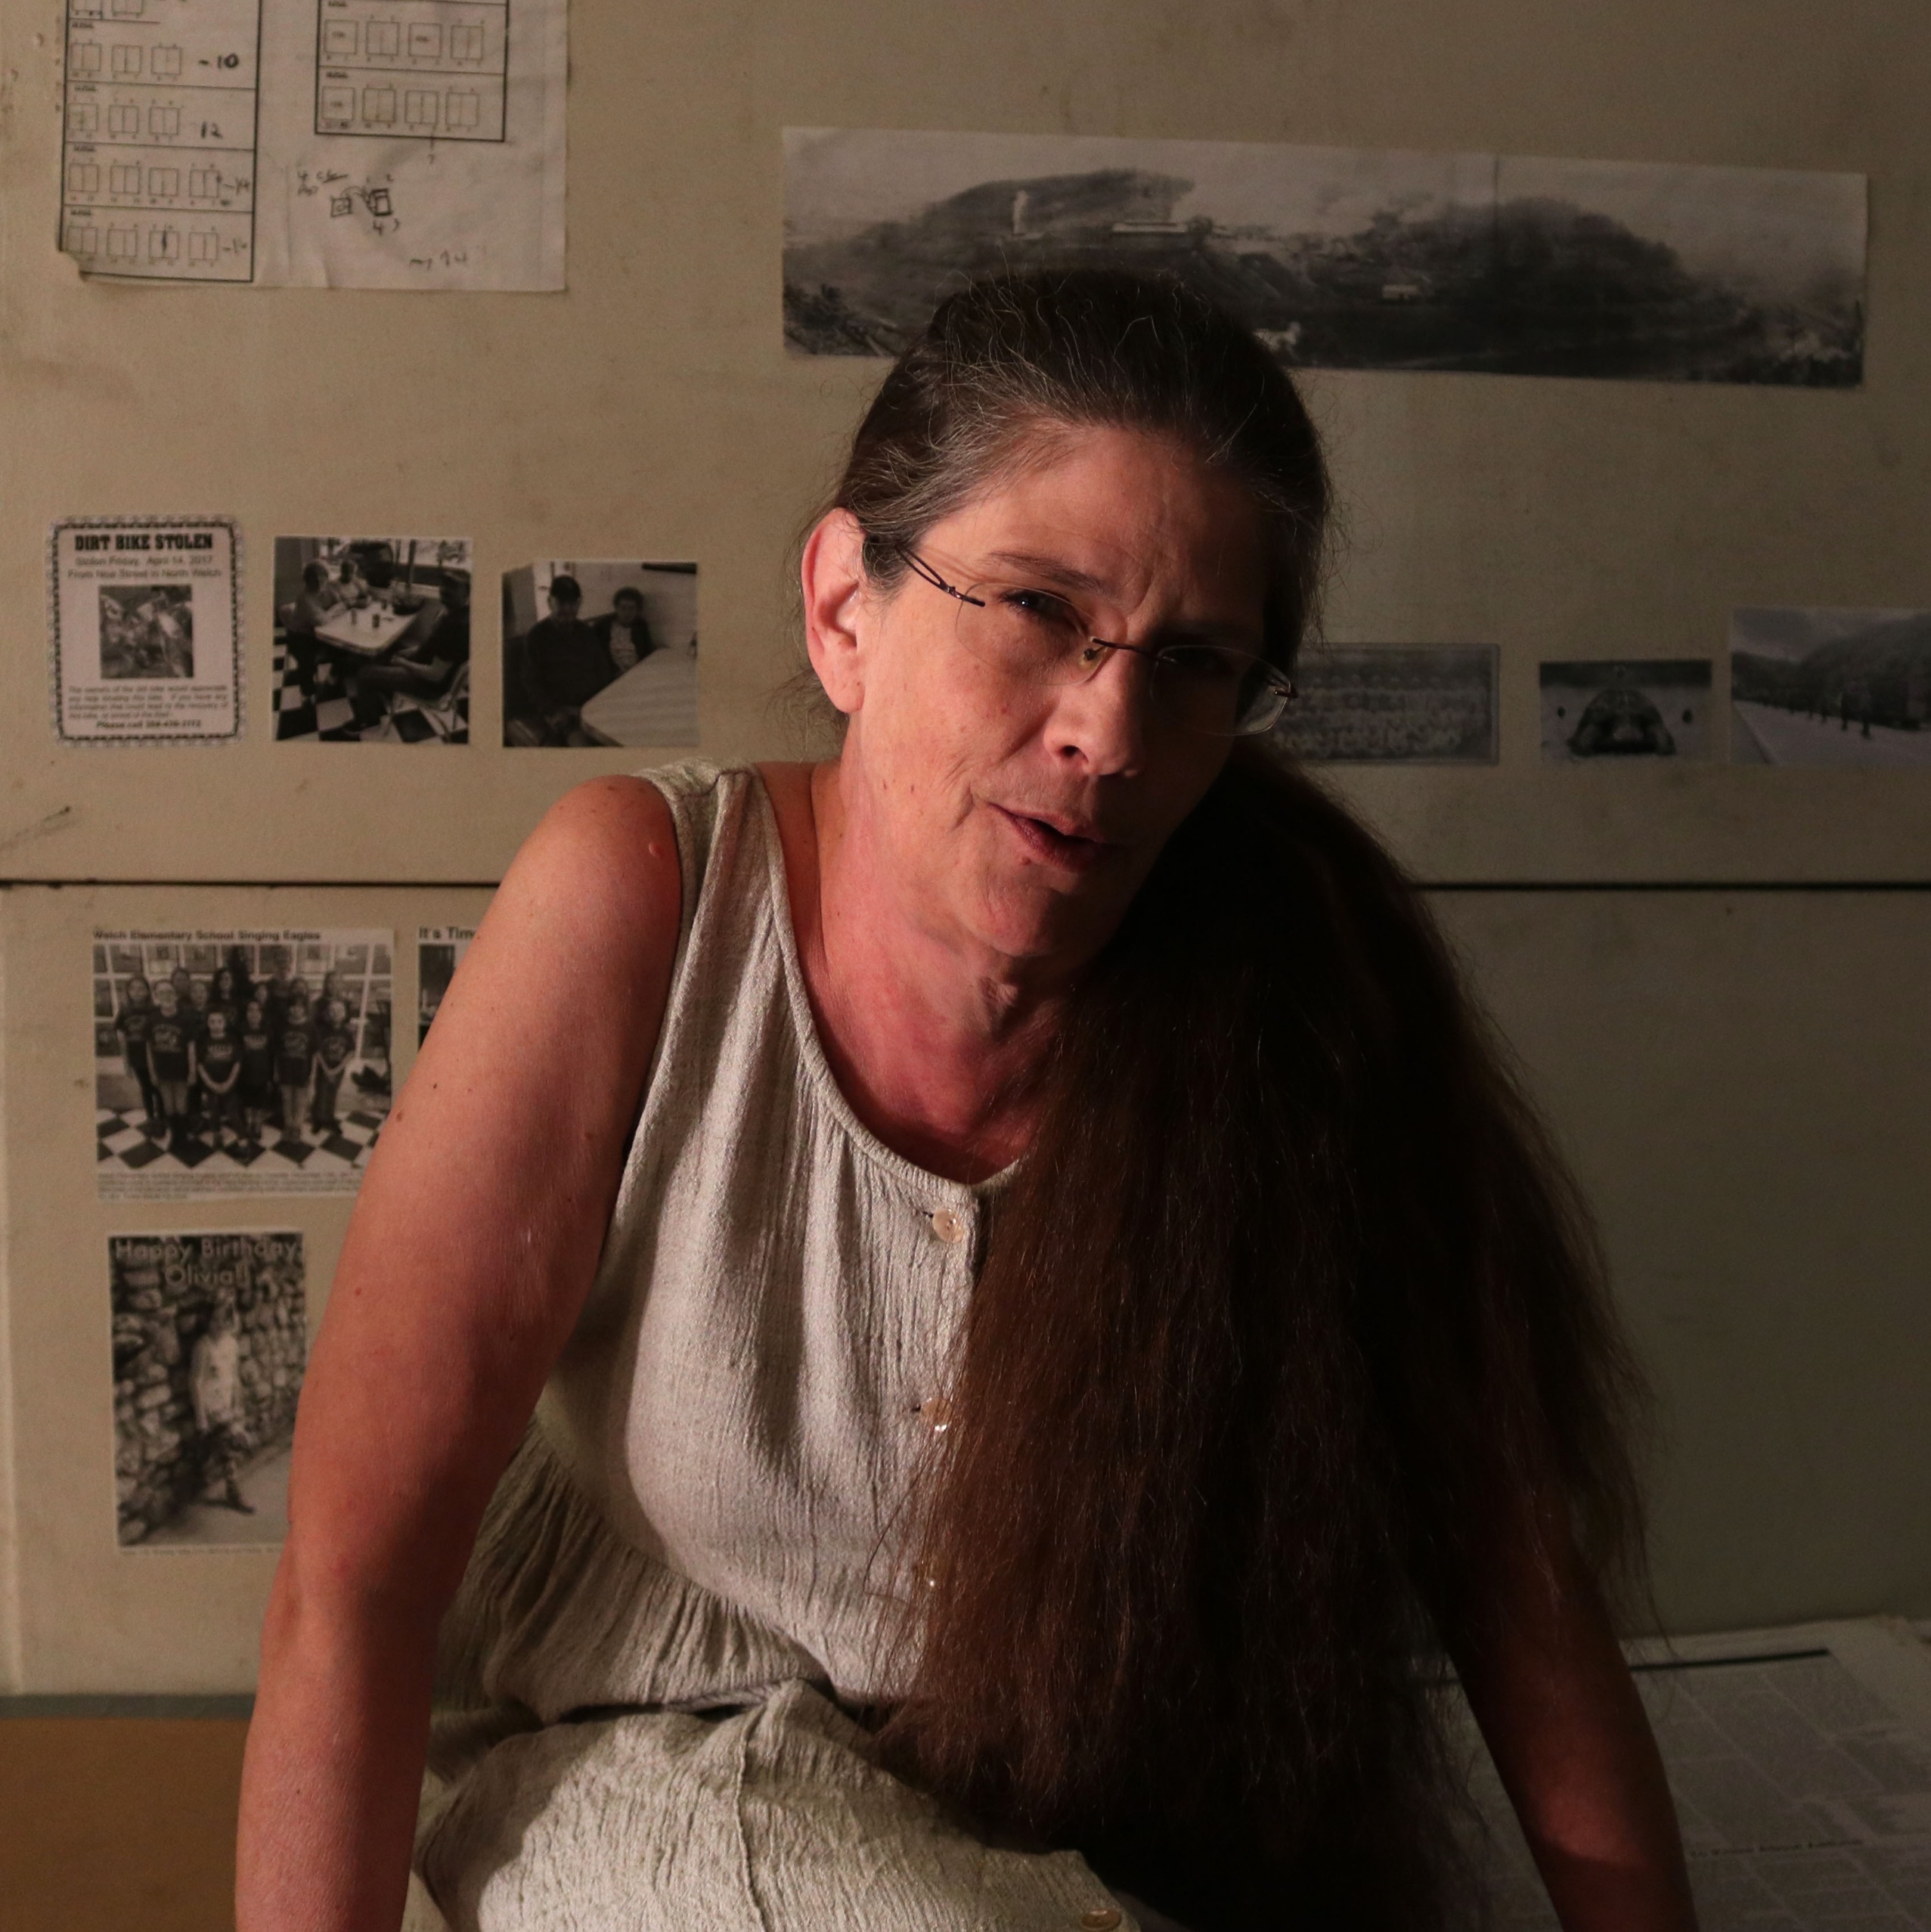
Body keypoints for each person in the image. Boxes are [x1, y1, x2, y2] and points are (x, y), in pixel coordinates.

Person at [240, 274, 1695, 1932]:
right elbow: (354, 1582)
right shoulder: (640, 899)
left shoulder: (1295, 974)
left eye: (1192, 662)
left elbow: (1510, 1569)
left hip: (1106, 1813)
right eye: (1035, 609)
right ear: (842, 610)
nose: (1107, 730)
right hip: (671, 1770)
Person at [518, 573, 620, 743]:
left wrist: (604, 699)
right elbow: (531, 681)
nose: (567, 608)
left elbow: (602, 668)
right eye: (561, 602)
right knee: (582, 745)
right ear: (550, 602)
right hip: (562, 711)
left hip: (593, 705)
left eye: (572, 603)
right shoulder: (536, 636)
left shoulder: (586, 632)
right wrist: (553, 711)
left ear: (579, 603)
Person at [191, 1302, 256, 1515]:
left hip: (227, 1407)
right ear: (208, 1321)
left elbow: (234, 1377)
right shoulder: (203, 1347)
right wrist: (201, 1418)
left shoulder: (232, 1344)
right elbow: (196, 1382)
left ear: (230, 1322)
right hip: (211, 1409)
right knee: (230, 1442)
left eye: (223, 1320)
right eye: (214, 1320)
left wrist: (237, 1404)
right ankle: (234, 1492)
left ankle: (206, 1455)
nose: (218, 1325)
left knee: (241, 1442)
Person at [144, 980, 195, 1156]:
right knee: (168, 1107)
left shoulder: (185, 1019)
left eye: (170, 992)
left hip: (181, 1070)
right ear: (156, 997)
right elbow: (148, 1049)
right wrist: (152, 1072)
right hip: (162, 1071)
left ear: (176, 995)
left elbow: (191, 1047)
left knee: (181, 1106)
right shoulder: (152, 1019)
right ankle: (174, 1136)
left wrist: (192, 1071)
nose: (166, 995)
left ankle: (183, 1137)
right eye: (162, 992)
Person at [113, 972, 160, 1127]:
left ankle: (162, 1117)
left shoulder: (154, 1010)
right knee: (146, 1087)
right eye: (133, 989)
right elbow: (121, 1039)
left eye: (141, 989)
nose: (137, 992)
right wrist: (126, 1063)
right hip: (137, 1056)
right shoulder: (125, 1011)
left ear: (147, 991)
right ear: (128, 992)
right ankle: (151, 1117)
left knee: (158, 1087)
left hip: (154, 1056)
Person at [197, 1008, 244, 1150]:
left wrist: (229, 1082)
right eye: (212, 1022)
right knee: (213, 1111)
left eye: (219, 1021)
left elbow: (237, 1063)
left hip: (230, 1084)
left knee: (233, 1112)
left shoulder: (232, 1040)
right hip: (210, 1084)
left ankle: (242, 1136)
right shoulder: (204, 1041)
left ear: (225, 1023)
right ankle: (216, 1134)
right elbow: (200, 1064)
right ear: (207, 1024)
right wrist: (210, 1083)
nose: (216, 1025)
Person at [275, 992, 316, 1149]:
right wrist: (276, 1072)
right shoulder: (282, 1026)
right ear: (289, 1008)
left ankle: (297, 1127)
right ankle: (288, 1125)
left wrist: (313, 1074)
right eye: (293, 1006)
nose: (296, 1009)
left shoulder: (310, 1027)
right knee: (287, 1099)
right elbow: (277, 1052)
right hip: (285, 1070)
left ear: (305, 1008)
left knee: (300, 1101)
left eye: (300, 1006)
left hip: (303, 1071)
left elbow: (314, 1053)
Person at [310, 997, 356, 1137]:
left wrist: (337, 1070)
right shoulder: (322, 1030)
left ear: (344, 1014)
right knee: (321, 1094)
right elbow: (317, 1051)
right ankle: (318, 1119)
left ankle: (330, 1118)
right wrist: (326, 1069)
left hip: (338, 1069)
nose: (335, 1014)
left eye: (339, 1011)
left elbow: (351, 1052)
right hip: (323, 1068)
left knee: (333, 1093)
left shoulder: (347, 1032)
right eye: (332, 1011)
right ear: (328, 1014)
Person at [591, 585, 656, 674]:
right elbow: (598, 655)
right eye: (623, 608)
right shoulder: (603, 626)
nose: (627, 613)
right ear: (616, 608)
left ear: (637, 610)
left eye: (631, 608)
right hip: (611, 673)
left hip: (637, 671)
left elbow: (647, 651)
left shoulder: (640, 626)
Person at [239, 998, 275, 1146]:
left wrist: (272, 1075)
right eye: (250, 1010)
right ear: (246, 1013)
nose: (254, 1013)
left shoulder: (268, 1030)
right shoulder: (241, 1030)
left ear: (261, 1014)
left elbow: (272, 1054)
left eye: (257, 1010)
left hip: (263, 1073)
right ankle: (249, 1124)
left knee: (260, 1102)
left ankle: (258, 1124)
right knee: (248, 1101)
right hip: (245, 1073)